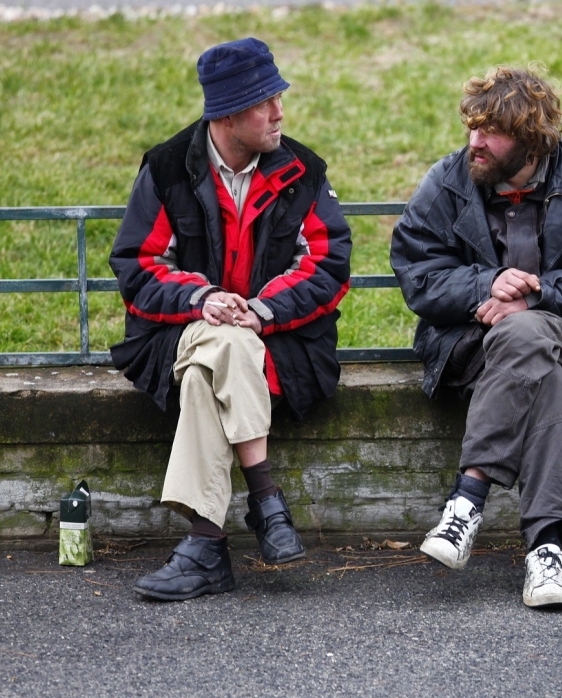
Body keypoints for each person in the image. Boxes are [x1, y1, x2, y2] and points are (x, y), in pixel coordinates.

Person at [109, 37, 352, 601]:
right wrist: (203, 300)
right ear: (227, 113)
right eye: (265, 101)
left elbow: (328, 265)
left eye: (278, 98)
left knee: (209, 370)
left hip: (284, 344)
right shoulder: (168, 168)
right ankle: (265, 500)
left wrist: (260, 311)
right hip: (178, 333)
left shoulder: (302, 170)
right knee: (220, 341)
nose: (279, 112)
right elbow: (139, 265)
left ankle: (205, 546)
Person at [391, 66, 562, 609]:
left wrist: (535, 294)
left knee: (530, 336)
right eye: (471, 128)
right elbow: (417, 272)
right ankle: (546, 550)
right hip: (469, 343)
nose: (474, 142)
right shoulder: (448, 181)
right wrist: (485, 283)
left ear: (529, 139)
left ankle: (467, 500)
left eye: (489, 132)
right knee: (539, 372)